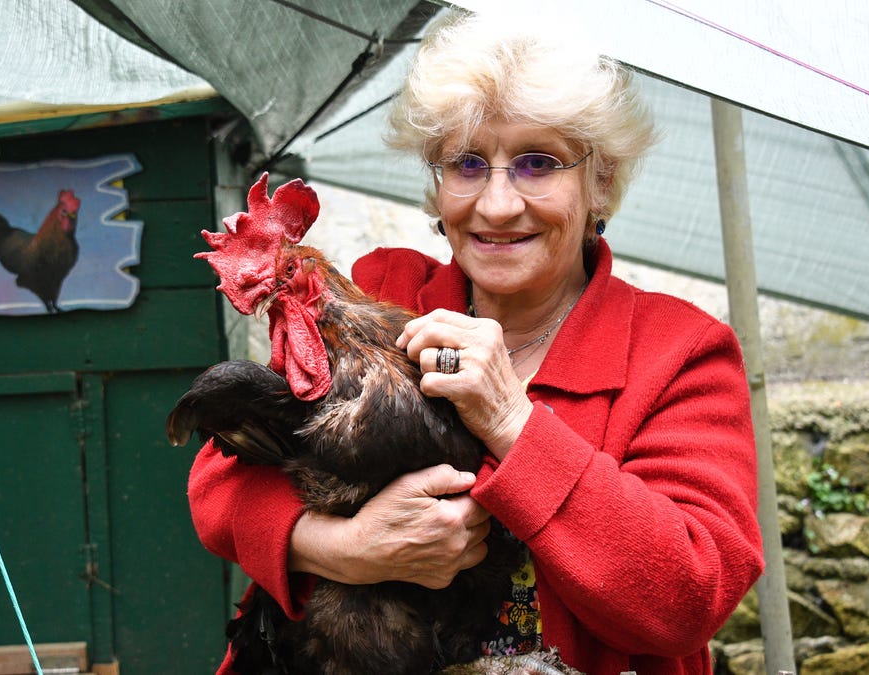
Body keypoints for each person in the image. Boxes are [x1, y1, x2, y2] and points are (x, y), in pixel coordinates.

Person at [188, 7, 764, 675]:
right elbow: (218, 489)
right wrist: (345, 545)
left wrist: (509, 418)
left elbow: (684, 596)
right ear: (436, 184)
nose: (495, 204)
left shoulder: (678, 351)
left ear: (601, 178)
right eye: (466, 163)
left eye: (537, 162)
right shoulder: (385, 289)